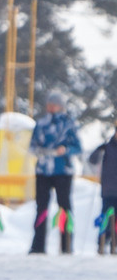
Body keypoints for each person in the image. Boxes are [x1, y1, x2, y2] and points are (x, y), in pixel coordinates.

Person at [30, 92, 81, 255]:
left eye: (55, 105)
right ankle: (38, 246)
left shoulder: (68, 124)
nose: (51, 108)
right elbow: (32, 145)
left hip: (63, 172)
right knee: (41, 208)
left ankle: (66, 245)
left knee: (64, 207)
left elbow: (78, 147)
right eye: (49, 104)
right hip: (43, 171)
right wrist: (39, 151)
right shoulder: (41, 124)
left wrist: (65, 150)